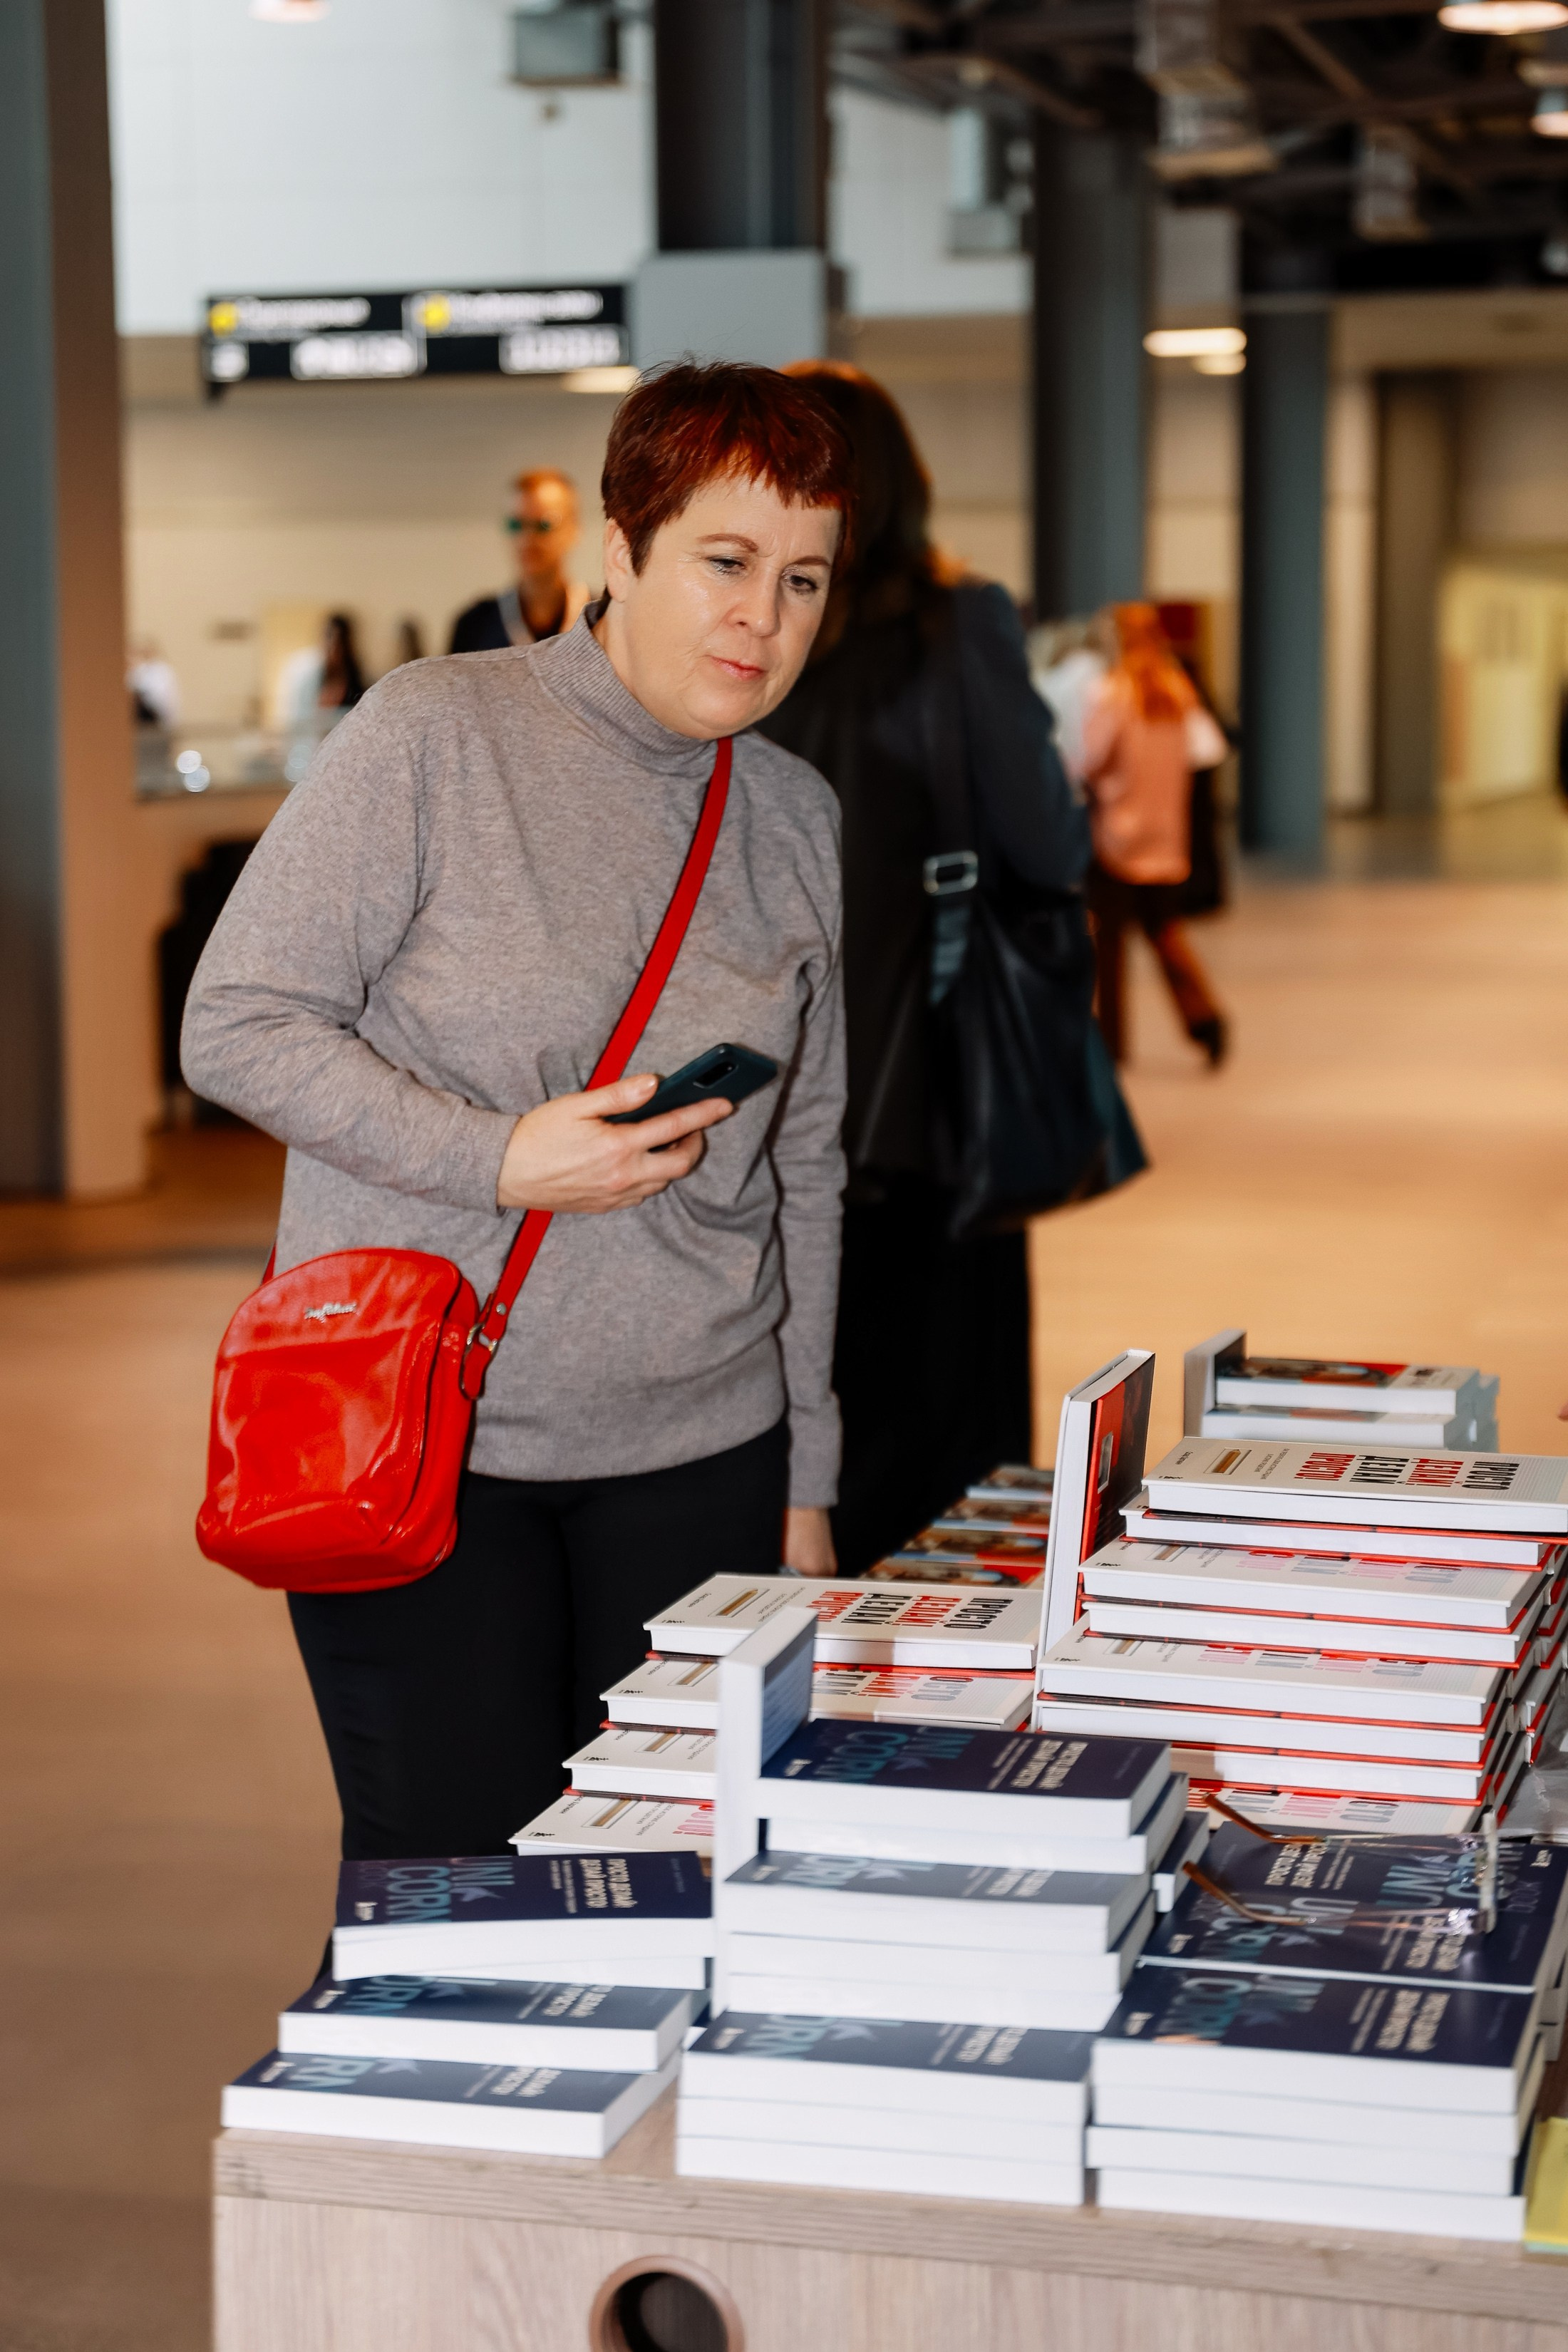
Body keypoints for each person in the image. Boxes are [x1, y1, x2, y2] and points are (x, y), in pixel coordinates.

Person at [181, 362, 853, 1859]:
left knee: (665, 1900)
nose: (765, 617)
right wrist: (495, 1159)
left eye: (803, 579)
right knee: (453, 1912)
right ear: (617, 550)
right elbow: (232, 1024)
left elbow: (805, 1162)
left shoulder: (794, 817)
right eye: (725, 563)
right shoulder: (433, 735)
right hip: (423, 1449)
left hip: (703, 1451)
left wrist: (806, 1478)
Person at [758, 362, 1089, 1579]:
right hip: (921, 1113)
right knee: (942, 1453)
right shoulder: (954, 628)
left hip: (748, 1108)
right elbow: (1048, 844)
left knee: (797, 1432)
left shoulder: (738, 644)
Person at [1080, 602, 1229, 1069]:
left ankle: (1112, 1044)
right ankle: (1205, 1020)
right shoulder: (1177, 691)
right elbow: (1201, 753)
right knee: (1166, 932)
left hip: (1118, 837)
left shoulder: (1114, 694)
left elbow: (1091, 758)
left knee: (1109, 946)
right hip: (1166, 839)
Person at [449, 468, 592, 653]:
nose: (527, 540)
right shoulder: (475, 626)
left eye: (544, 525)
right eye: (516, 525)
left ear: (574, 530)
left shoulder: (602, 619)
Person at [316, 612, 366, 711]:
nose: (333, 648)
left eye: (339, 642)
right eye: (329, 639)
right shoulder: (315, 679)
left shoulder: (357, 685)